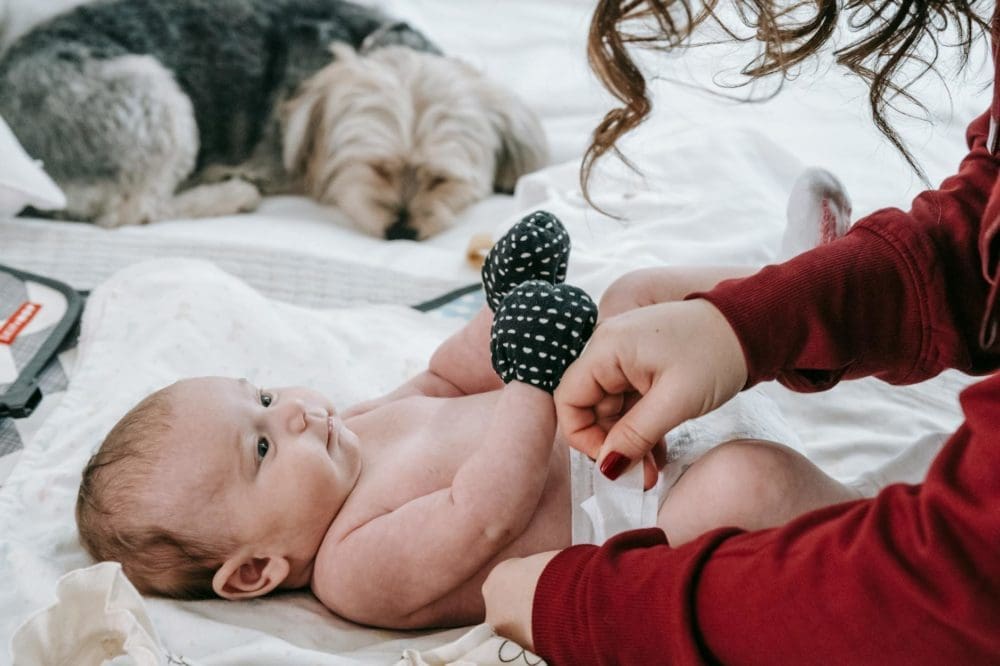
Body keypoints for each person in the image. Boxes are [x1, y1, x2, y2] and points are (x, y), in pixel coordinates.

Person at [481, 0, 1000, 663]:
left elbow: (958, 579)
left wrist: (588, 610)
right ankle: (781, 271)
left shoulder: (364, 545)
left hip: (643, 502)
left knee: (744, 483)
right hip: (638, 453)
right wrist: (744, 323)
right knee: (641, 304)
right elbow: (979, 238)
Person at [75, 207, 855, 631]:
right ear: (255, 571)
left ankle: (803, 292)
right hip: (641, 502)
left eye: (266, 397)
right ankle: (884, 535)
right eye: (261, 447)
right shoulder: (354, 571)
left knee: (635, 296)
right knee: (744, 484)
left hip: (624, 406)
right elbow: (483, 511)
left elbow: (448, 377)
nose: (299, 416)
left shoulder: (358, 428)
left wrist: (505, 307)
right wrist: (532, 377)